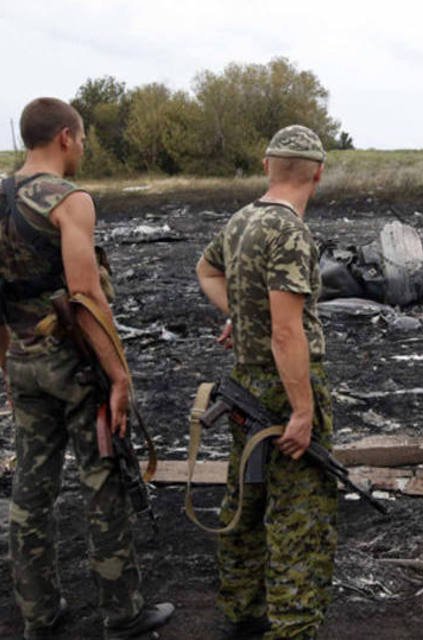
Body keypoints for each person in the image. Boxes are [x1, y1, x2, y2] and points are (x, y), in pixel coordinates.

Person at [0, 97, 173, 639]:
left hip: (21, 361)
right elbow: (86, 295)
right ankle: (122, 614)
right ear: (65, 138)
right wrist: (119, 375)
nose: (84, 147)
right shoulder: (68, 201)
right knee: (103, 480)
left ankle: (39, 615)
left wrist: (4, 371)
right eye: (82, 138)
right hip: (74, 367)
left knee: (30, 490)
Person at [196, 124, 337, 640]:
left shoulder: (240, 221)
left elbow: (206, 272)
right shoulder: (290, 232)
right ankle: (294, 627)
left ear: (266, 166)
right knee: (302, 515)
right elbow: (286, 330)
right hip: (284, 385)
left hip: (243, 385)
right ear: (317, 173)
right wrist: (302, 411)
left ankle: (242, 610)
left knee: (246, 497)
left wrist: (238, 314)